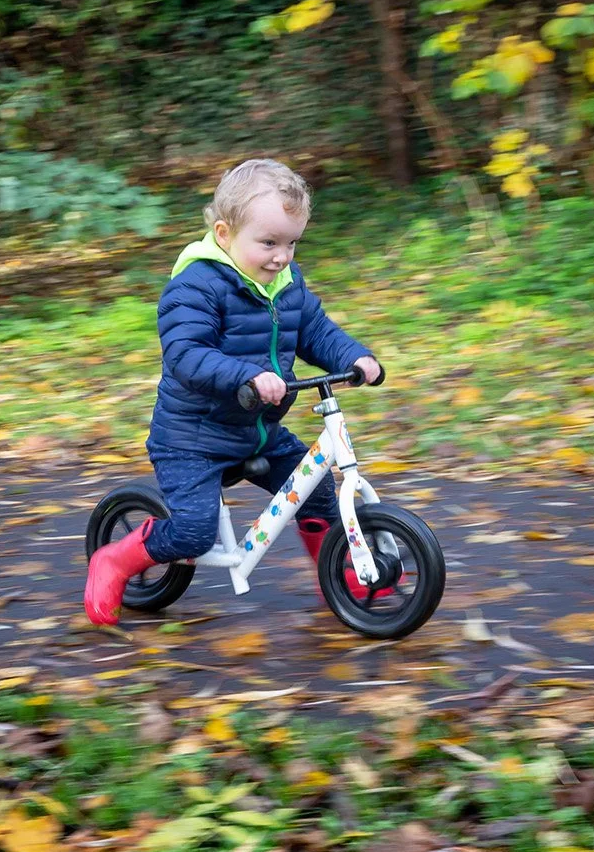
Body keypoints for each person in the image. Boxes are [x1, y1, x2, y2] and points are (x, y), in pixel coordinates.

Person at [84, 158, 395, 626]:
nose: (282, 256)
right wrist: (243, 376)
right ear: (226, 234)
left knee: (319, 497)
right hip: (192, 438)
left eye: (292, 242)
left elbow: (315, 332)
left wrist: (355, 358)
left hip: (258, 432)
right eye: (268, 242)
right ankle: (115, 560)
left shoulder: (287, 285)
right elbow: (186, 353)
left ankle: (339, 575)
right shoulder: (196, 285)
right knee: (192, 533)